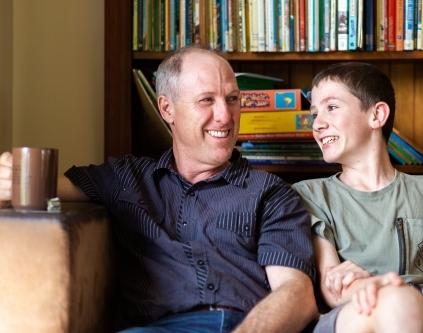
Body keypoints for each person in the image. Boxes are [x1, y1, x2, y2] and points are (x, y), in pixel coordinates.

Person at [0, 44, 318, 332]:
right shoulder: (127, 178)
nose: (225, 115)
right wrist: (8, 177)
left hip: (244, 325)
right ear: (167, 109)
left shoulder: (272, 193)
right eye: (207, 100)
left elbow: (297, 294)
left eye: (232, 99)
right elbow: (38, 184)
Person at [291, 62, 423, 333]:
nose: (317, 124)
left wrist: (392, 290)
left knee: (400, 307)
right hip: (348, 319)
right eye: (314, 114)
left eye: (331, 108)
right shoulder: (309, 194)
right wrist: (386, 292)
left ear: (376, 115)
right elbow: (333, 291)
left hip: (417, 320)